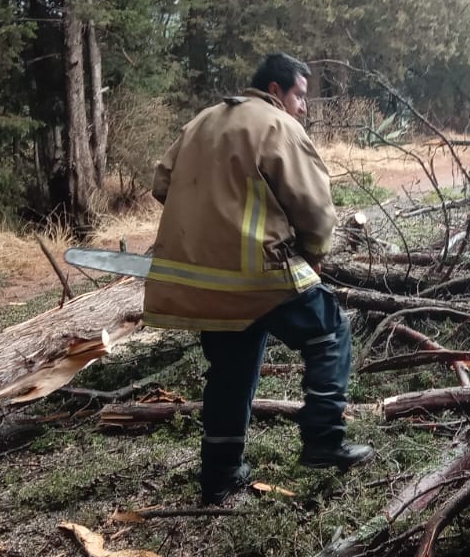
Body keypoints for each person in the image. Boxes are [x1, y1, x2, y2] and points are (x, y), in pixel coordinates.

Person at [143, 52, 374, 505]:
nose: (303, 107)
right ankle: (324, 440)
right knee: (329, 329)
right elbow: (315, 208)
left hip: (208, 283)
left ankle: (220, 477)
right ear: (275, 91)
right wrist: (313, 254)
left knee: (231, 368)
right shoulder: (277, 126)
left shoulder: (202, 121)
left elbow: (162, 185)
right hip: (260, 274)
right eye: (300, 96)